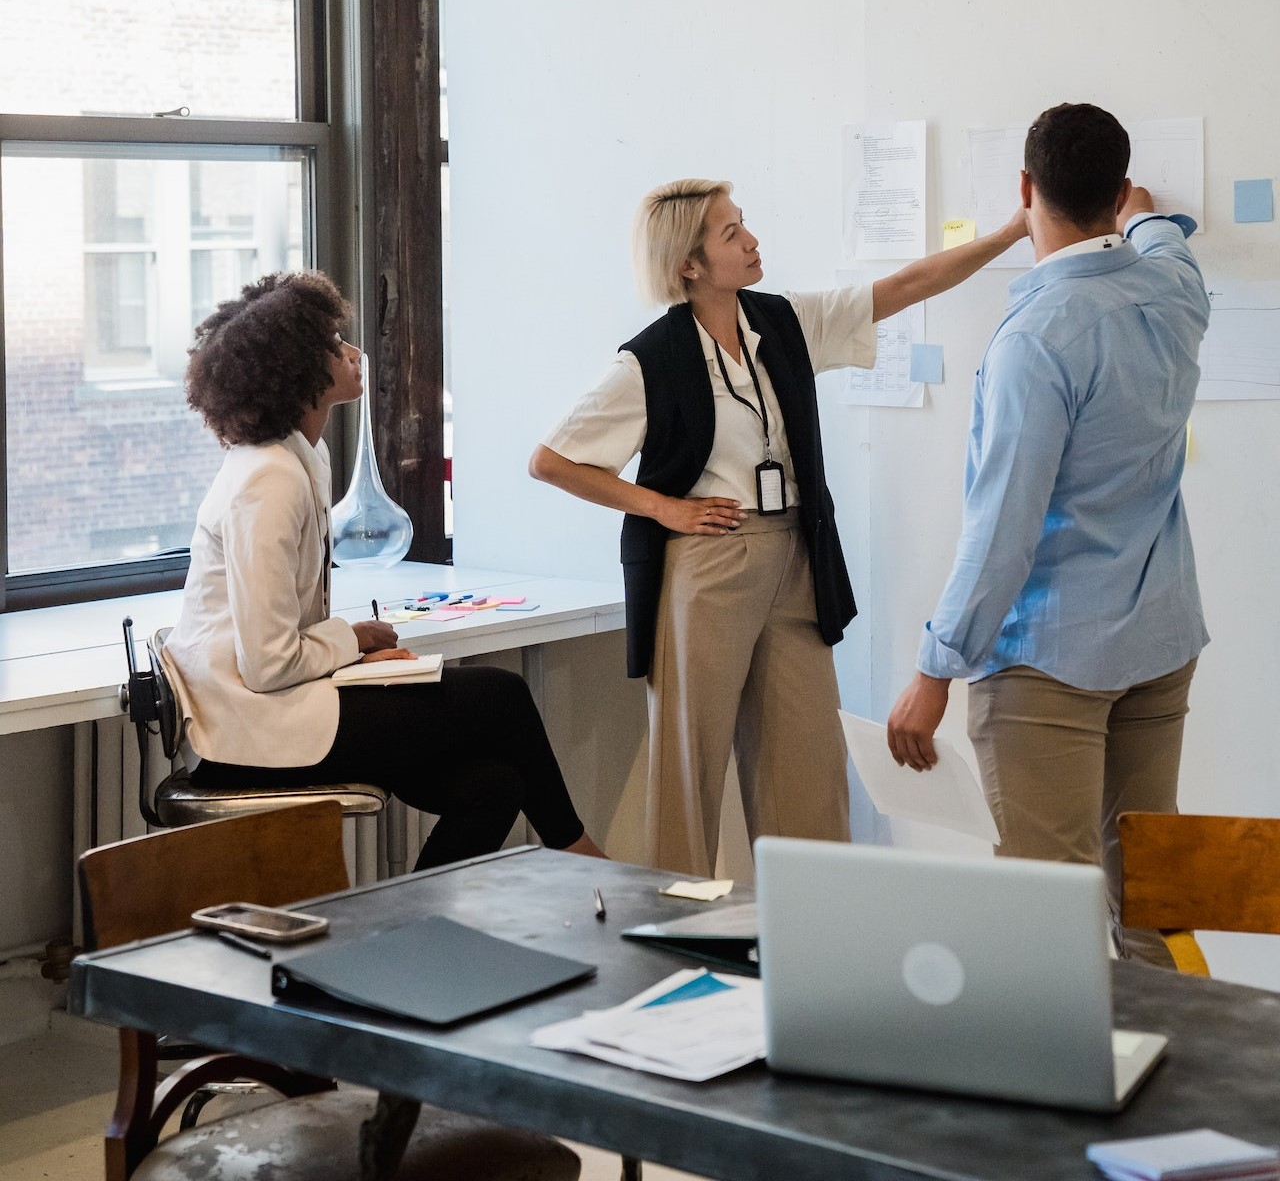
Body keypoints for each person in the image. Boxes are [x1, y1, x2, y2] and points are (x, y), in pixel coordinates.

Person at [530, 178, 1026, 875]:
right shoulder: (648, 361)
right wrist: (666, 509)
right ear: (689, 265)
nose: (753, 241)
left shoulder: (784, 321)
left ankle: (810, 942)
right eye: (731, 234)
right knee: (689, 768)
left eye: (744, 225)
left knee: (807, 764)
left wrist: (1010, 234)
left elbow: (907, 285)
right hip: (706, 565)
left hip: (795, 556)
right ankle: (677, 946)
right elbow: (551, 461)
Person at [886, 103, 1210, 967]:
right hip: (1160, 637)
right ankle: (1173, 1082)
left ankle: (1068, 1097)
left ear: (1025, 190)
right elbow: (1167, 236)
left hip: (1050, 663)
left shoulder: (1036, 339)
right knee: (1153, 898)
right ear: (1117, 191)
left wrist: (934, 670)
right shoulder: (1175, 289)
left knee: (1048, 913)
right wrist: (1145, 214)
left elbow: (1003, 533)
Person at [165, 269, 604, 870]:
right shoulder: (269, 479)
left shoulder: (294, 461)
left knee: (495, 784)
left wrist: (357, 652)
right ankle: (582, 858)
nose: (353, 353)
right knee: (502, 696)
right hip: (253, 729)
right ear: (297, 369)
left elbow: (281, 639)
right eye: (333, 344)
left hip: (278, 705)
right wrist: (351, 642)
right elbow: (268, 664)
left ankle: (409, 937)